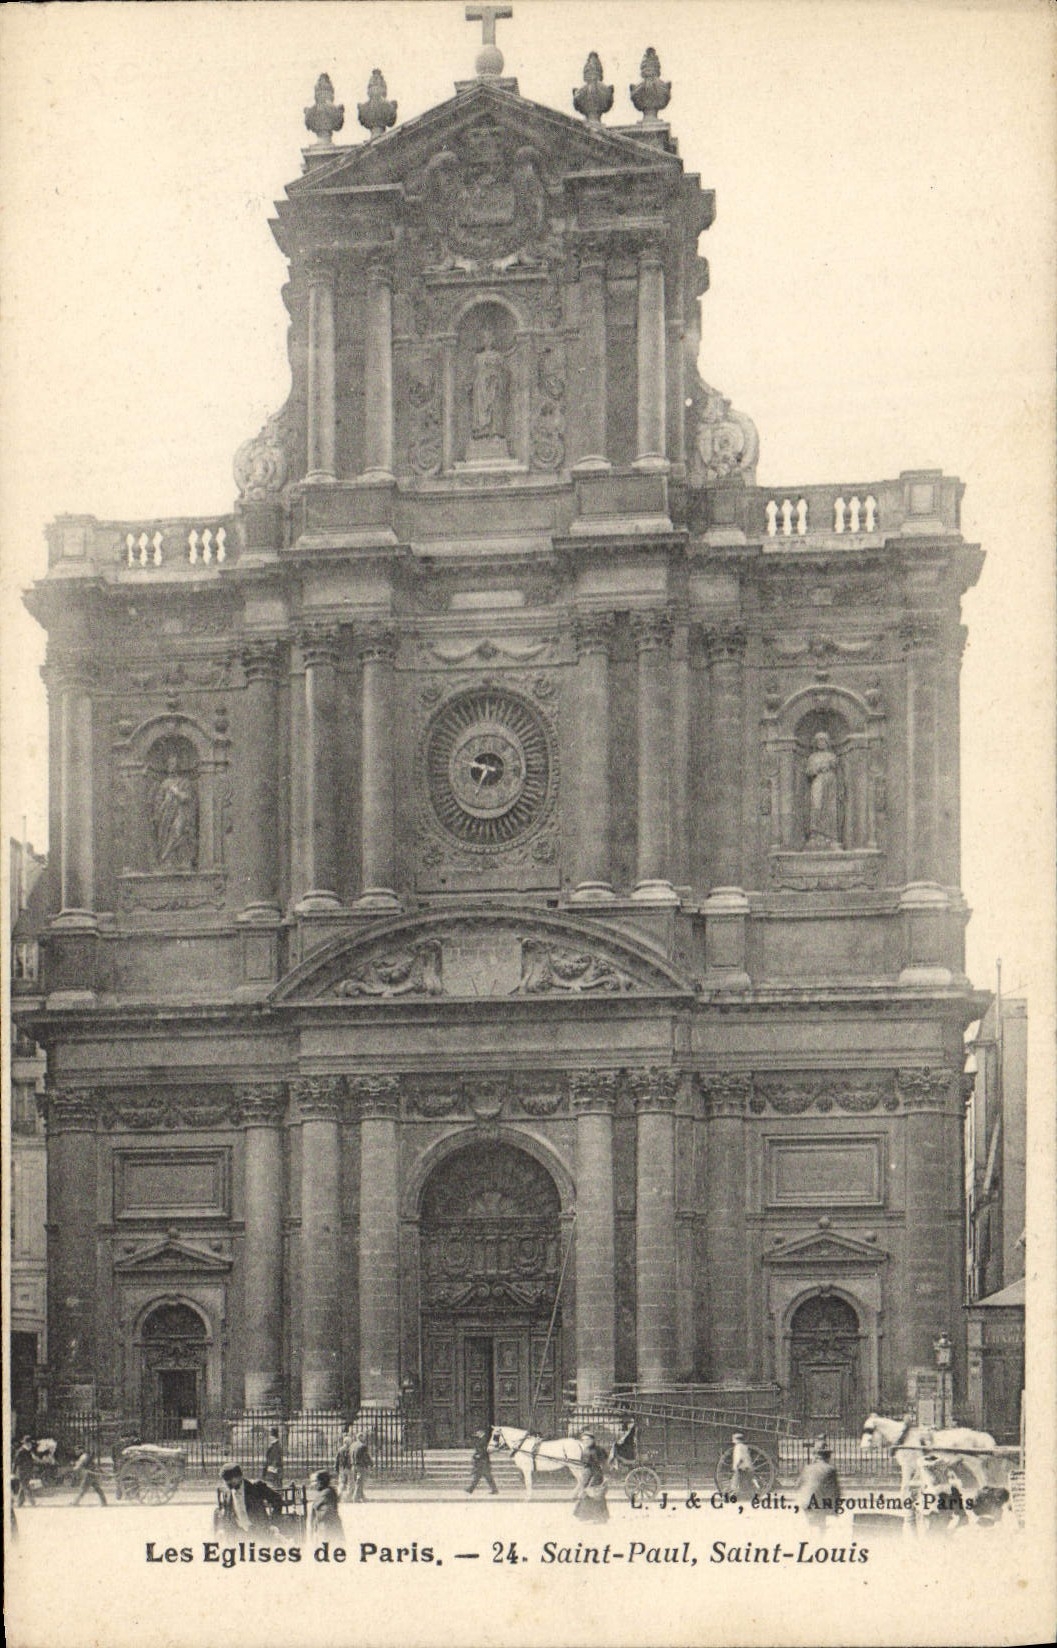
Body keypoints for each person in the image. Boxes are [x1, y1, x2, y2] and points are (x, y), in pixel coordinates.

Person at [215, 1462, 283, 1540]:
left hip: (260, 1533)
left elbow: (277, 1499)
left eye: (230, 1480)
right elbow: (228, 1514)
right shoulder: (227, 1492)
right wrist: (223, 1529)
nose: (227, 1483)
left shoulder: (256, 1487)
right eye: (225, 1481)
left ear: (240, 1477)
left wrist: (273, 1523)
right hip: (239, 1535)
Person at [805, 731, 843, 848]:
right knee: (816, 806)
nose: (821, 743)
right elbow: (808, 772)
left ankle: (830, 837)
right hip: (818, 782)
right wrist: (818, 768)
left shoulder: (832, 756)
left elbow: (839, 772)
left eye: (823, 740)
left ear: (827, 742)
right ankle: (815, 835)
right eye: (819, 740)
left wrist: (841, 788)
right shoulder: (812, 757)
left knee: (830, 809)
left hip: (831, 784)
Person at [795, 1439, 841, 1531]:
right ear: (828, 1458)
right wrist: (836, 1509)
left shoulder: (807, 1468)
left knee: (815, 1522)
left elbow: (798, 1484)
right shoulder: (830, 1469)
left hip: (805, 1501)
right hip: (819, 1503)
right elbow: (835, 1490)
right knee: (821, 1521)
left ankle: (814, 1531)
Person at [574, 1433, 609, 1524]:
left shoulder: (598, 1450)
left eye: (588, 1440)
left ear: (593, 1440)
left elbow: (603, 1464)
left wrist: (605, 1476)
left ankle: (600, 1518)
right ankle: (585, 1517)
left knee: (595, 1495)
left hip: (595, 1474)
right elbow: (584, 1463)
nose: (585, 1441)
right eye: (583, 1440)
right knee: (586, 1494)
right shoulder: (585, 1450)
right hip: (587, 1474)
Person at [308, 1469, 344, 1543]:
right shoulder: (325, 1493)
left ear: (321, 1482)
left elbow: (325, 1514)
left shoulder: (326, 1493)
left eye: (314, 1481)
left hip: (327, 1531)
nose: (312, 1484)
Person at [729, 1432, 760, 1503]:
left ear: (736, 1440)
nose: (733, 1441)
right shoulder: (744, 1446)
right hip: (747, 1466)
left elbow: (739, 1457)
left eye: (733, 1439)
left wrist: (736, 1465)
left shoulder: (738, 1447)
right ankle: (752, 1494)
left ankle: (735, 1495)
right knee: (747, 1481)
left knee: (736, 1481)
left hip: (741, 1467)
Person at [465, 1429, 499, 1496]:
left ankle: (470, 1489)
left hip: (484, 1461)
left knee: (486, 1477)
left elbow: (485, 1450)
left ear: (481, 1432)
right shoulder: (481, 1439)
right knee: (480, 1476)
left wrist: (479, 1455)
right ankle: (470, 1489)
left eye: (478, 1432)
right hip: (482, 1461)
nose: (476, 1433)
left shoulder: (484, 1439)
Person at [13, 1437, 37, 1507]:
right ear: (26, 1443)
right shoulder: (21, 1451)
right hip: (21, 1472)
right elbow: (15, 1462)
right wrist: (13, 1472)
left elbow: (30, 1462)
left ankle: (19, 1503)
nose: (31, 1445)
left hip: (27, 1472)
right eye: (30, 1443)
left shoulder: (28, 1451)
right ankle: (32, 1502)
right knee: (26, 1487)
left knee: (23, 1487)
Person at [350, 1432, 372, 1503]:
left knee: (358, 1482)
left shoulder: (352, 1445)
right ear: (361, 1437)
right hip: (361, 1466)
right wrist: (370, 1463)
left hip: (353, 1466)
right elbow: (366, 1456)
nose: (364, 1438)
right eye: (363, 1437)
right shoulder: (363, 1446)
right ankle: (355, 1497)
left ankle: (362, 1497)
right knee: (360, 1482)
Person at [263, 1427, 283, 1491]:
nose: (269, 1437)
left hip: (274, 1470)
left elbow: (276, 1459)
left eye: (270, 1435)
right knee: (274, 1486)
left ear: (273, 1436)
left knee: (275, 1486)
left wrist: (271, 1468)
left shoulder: (276, 1446)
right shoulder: (274, 1445)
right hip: (273, 1469)